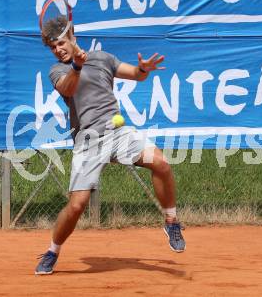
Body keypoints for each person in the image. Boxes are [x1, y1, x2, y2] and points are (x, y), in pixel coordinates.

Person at [35, 22, 185, 275]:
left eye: (61, 43)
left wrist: (143, 69)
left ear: (72, 36)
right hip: (88, 141)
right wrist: (76, 66)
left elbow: (136, 74)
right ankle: (52, 250)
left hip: (117, 133)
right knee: (76, 206)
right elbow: (67, 88)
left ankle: (171, 221)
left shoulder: (103, 59)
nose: (57, 50)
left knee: (160, 162)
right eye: (53, 47)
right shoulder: (58, 70)